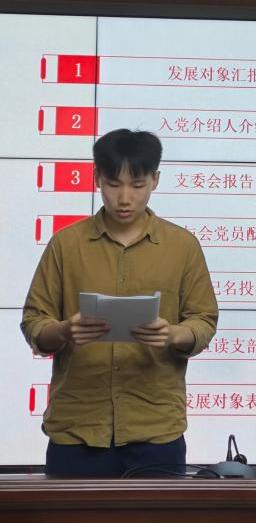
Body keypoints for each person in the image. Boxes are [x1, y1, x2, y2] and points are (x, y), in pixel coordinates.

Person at [21, 129, 218, 477]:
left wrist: (174, 334)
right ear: (97, 178)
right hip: (77, 428)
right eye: (114, 184)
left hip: (156, 429)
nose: (125, 198)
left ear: (155, 180)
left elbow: (204, 319)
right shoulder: (66, 245)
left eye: (137, 185)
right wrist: (64, 331)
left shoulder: (182, 246)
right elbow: (34, 321)